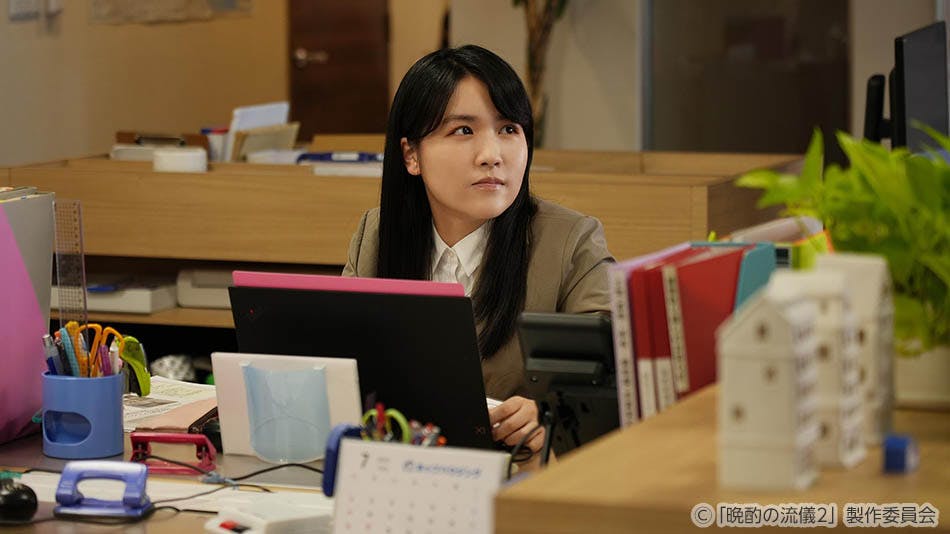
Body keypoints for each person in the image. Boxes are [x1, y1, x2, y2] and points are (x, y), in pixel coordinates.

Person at [343, 45, 613, 455]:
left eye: (508, 129)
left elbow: (610, 370)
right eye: (463, 131)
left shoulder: (571, 240)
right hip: (399, 466)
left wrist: (551, 411)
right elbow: (340, 364)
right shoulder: (376, 235)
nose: (492, 156)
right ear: (411, 154)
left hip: (519, 473)